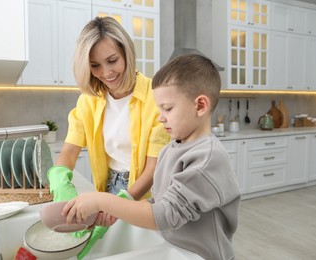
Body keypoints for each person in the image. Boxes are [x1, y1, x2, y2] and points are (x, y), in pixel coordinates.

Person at [62, 54, 242, 260]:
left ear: (200, 106)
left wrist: (102, 201)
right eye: (159, 108)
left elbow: (166, 215)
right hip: (173, 248)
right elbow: (158, 202)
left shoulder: (206, 158)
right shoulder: (171, 148)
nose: (160, 117)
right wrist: (115, 212)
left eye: (167, 108)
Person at [47, 16, 170, 208]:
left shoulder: (155, 97)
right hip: (109, 187)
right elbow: (70, 150)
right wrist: (59, 176)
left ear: (126, 53)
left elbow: (153, 168)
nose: (106, 73)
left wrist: (122, 204)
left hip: (147, 192)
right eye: (95, 65)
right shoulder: (88, 101)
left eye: (112, 61)